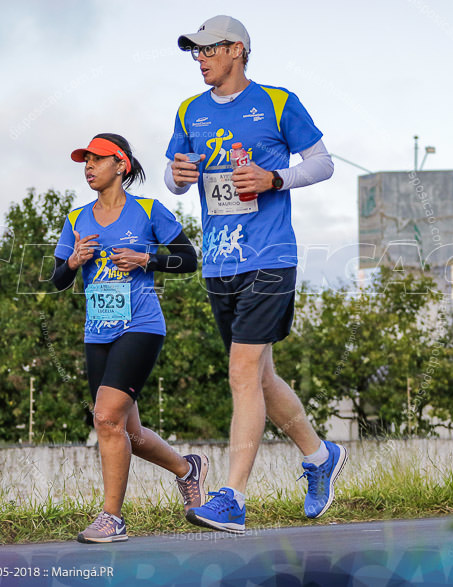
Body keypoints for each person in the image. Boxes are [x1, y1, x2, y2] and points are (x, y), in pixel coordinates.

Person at [165, 16, 345, 534]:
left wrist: (274, 177)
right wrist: (177, 177)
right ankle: (319, 457)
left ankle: (232, 498)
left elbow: (322, 163)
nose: (199, 59)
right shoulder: (188, 110)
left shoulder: (279, 102)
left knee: (242, 373)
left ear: (237, 50)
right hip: (220, 262)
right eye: (194, 52)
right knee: (260, 377)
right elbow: (176, 177)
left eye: (207, 50)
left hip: (269, 257)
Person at [53, 133, 207, 543]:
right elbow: (56, 280)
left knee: (104, 418)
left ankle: (112, 518)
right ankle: (186, 469)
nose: (88, 167)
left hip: (140, 326)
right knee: (129, 434)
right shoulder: (75, 219)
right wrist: (72, 261)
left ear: (120, 165)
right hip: (97, 332)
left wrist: (148, 258)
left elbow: (189, 259)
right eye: (84, 161)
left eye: (97, 159)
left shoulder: (148, 211)